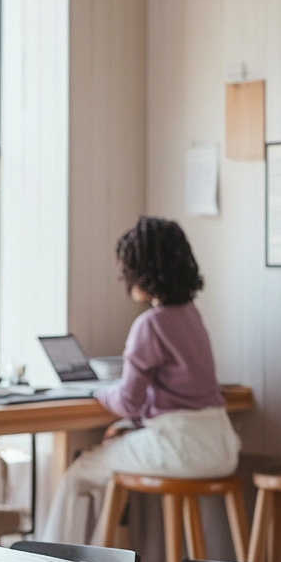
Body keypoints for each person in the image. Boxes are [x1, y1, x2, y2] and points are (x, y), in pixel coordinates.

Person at [39, 216, 240, 545]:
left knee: (81, 472)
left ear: (141, 271)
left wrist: (97, 391)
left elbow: (127, 401)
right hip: (220, 445)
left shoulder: (150, 324)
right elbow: (172, 396)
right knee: (111, 454)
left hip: (180, 449)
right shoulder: (192, 315)